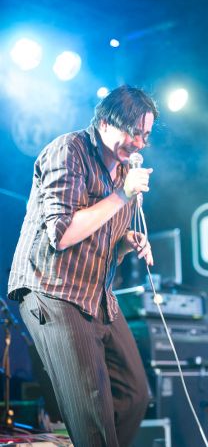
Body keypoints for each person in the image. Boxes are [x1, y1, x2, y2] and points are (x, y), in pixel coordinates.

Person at [8, 85, 158, 447]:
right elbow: (61, 234)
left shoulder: (123, 172)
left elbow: (100, 233)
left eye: (146, 135)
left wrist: (126, 242)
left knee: (135, 395)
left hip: (96, 294)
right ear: (105, 122)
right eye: (133, 132)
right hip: (54, 291)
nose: (138, 142)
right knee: (93, 412)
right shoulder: (68, 150)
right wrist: (121, 195)